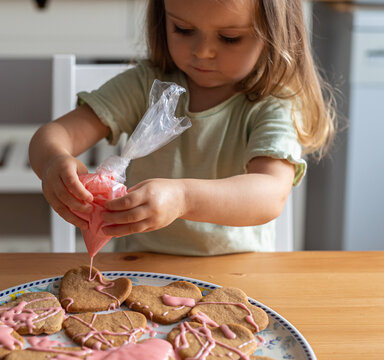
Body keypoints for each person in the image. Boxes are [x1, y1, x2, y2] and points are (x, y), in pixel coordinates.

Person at [29, 0, 336, 255]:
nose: (202, 51)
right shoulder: (145, 85)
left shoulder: (271, 102)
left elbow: (270, 193)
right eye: (183, 29)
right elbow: (54, 136)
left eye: (229, 38)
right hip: (140, 268)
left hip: (236, 274)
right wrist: (54, 161)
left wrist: (183, 198)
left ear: (274, 35)